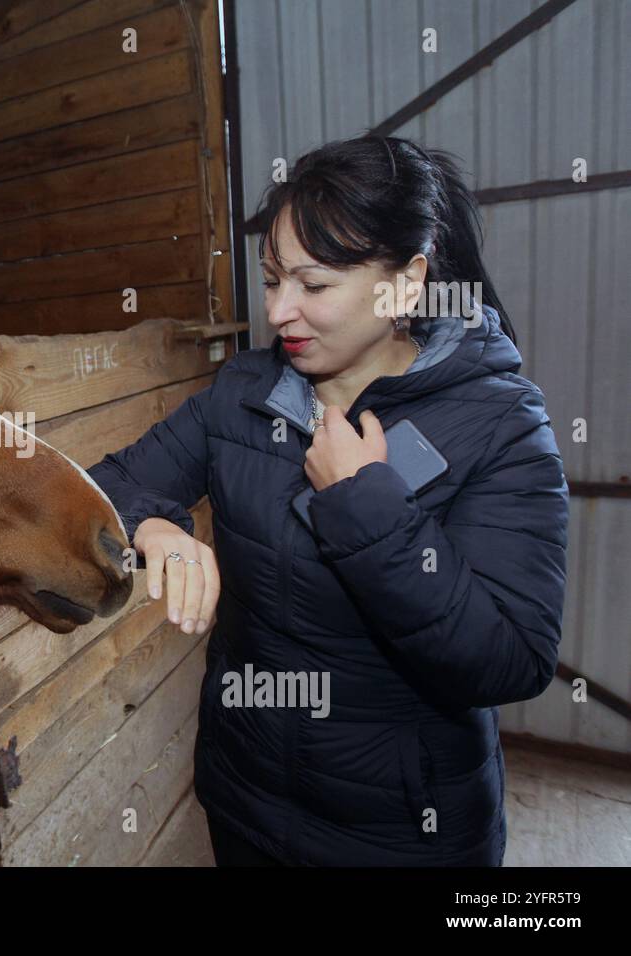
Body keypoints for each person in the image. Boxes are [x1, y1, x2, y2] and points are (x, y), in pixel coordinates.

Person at [87, 135, 568, 866]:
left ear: (406, 284)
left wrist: (363, 504)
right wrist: (157, 528)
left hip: (402, 835)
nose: (280, 311)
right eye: (273, 279)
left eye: (313, 286)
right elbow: (108, 482)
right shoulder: (242, 395)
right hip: (246, 799)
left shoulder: (502, 426)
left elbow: (510, 659)